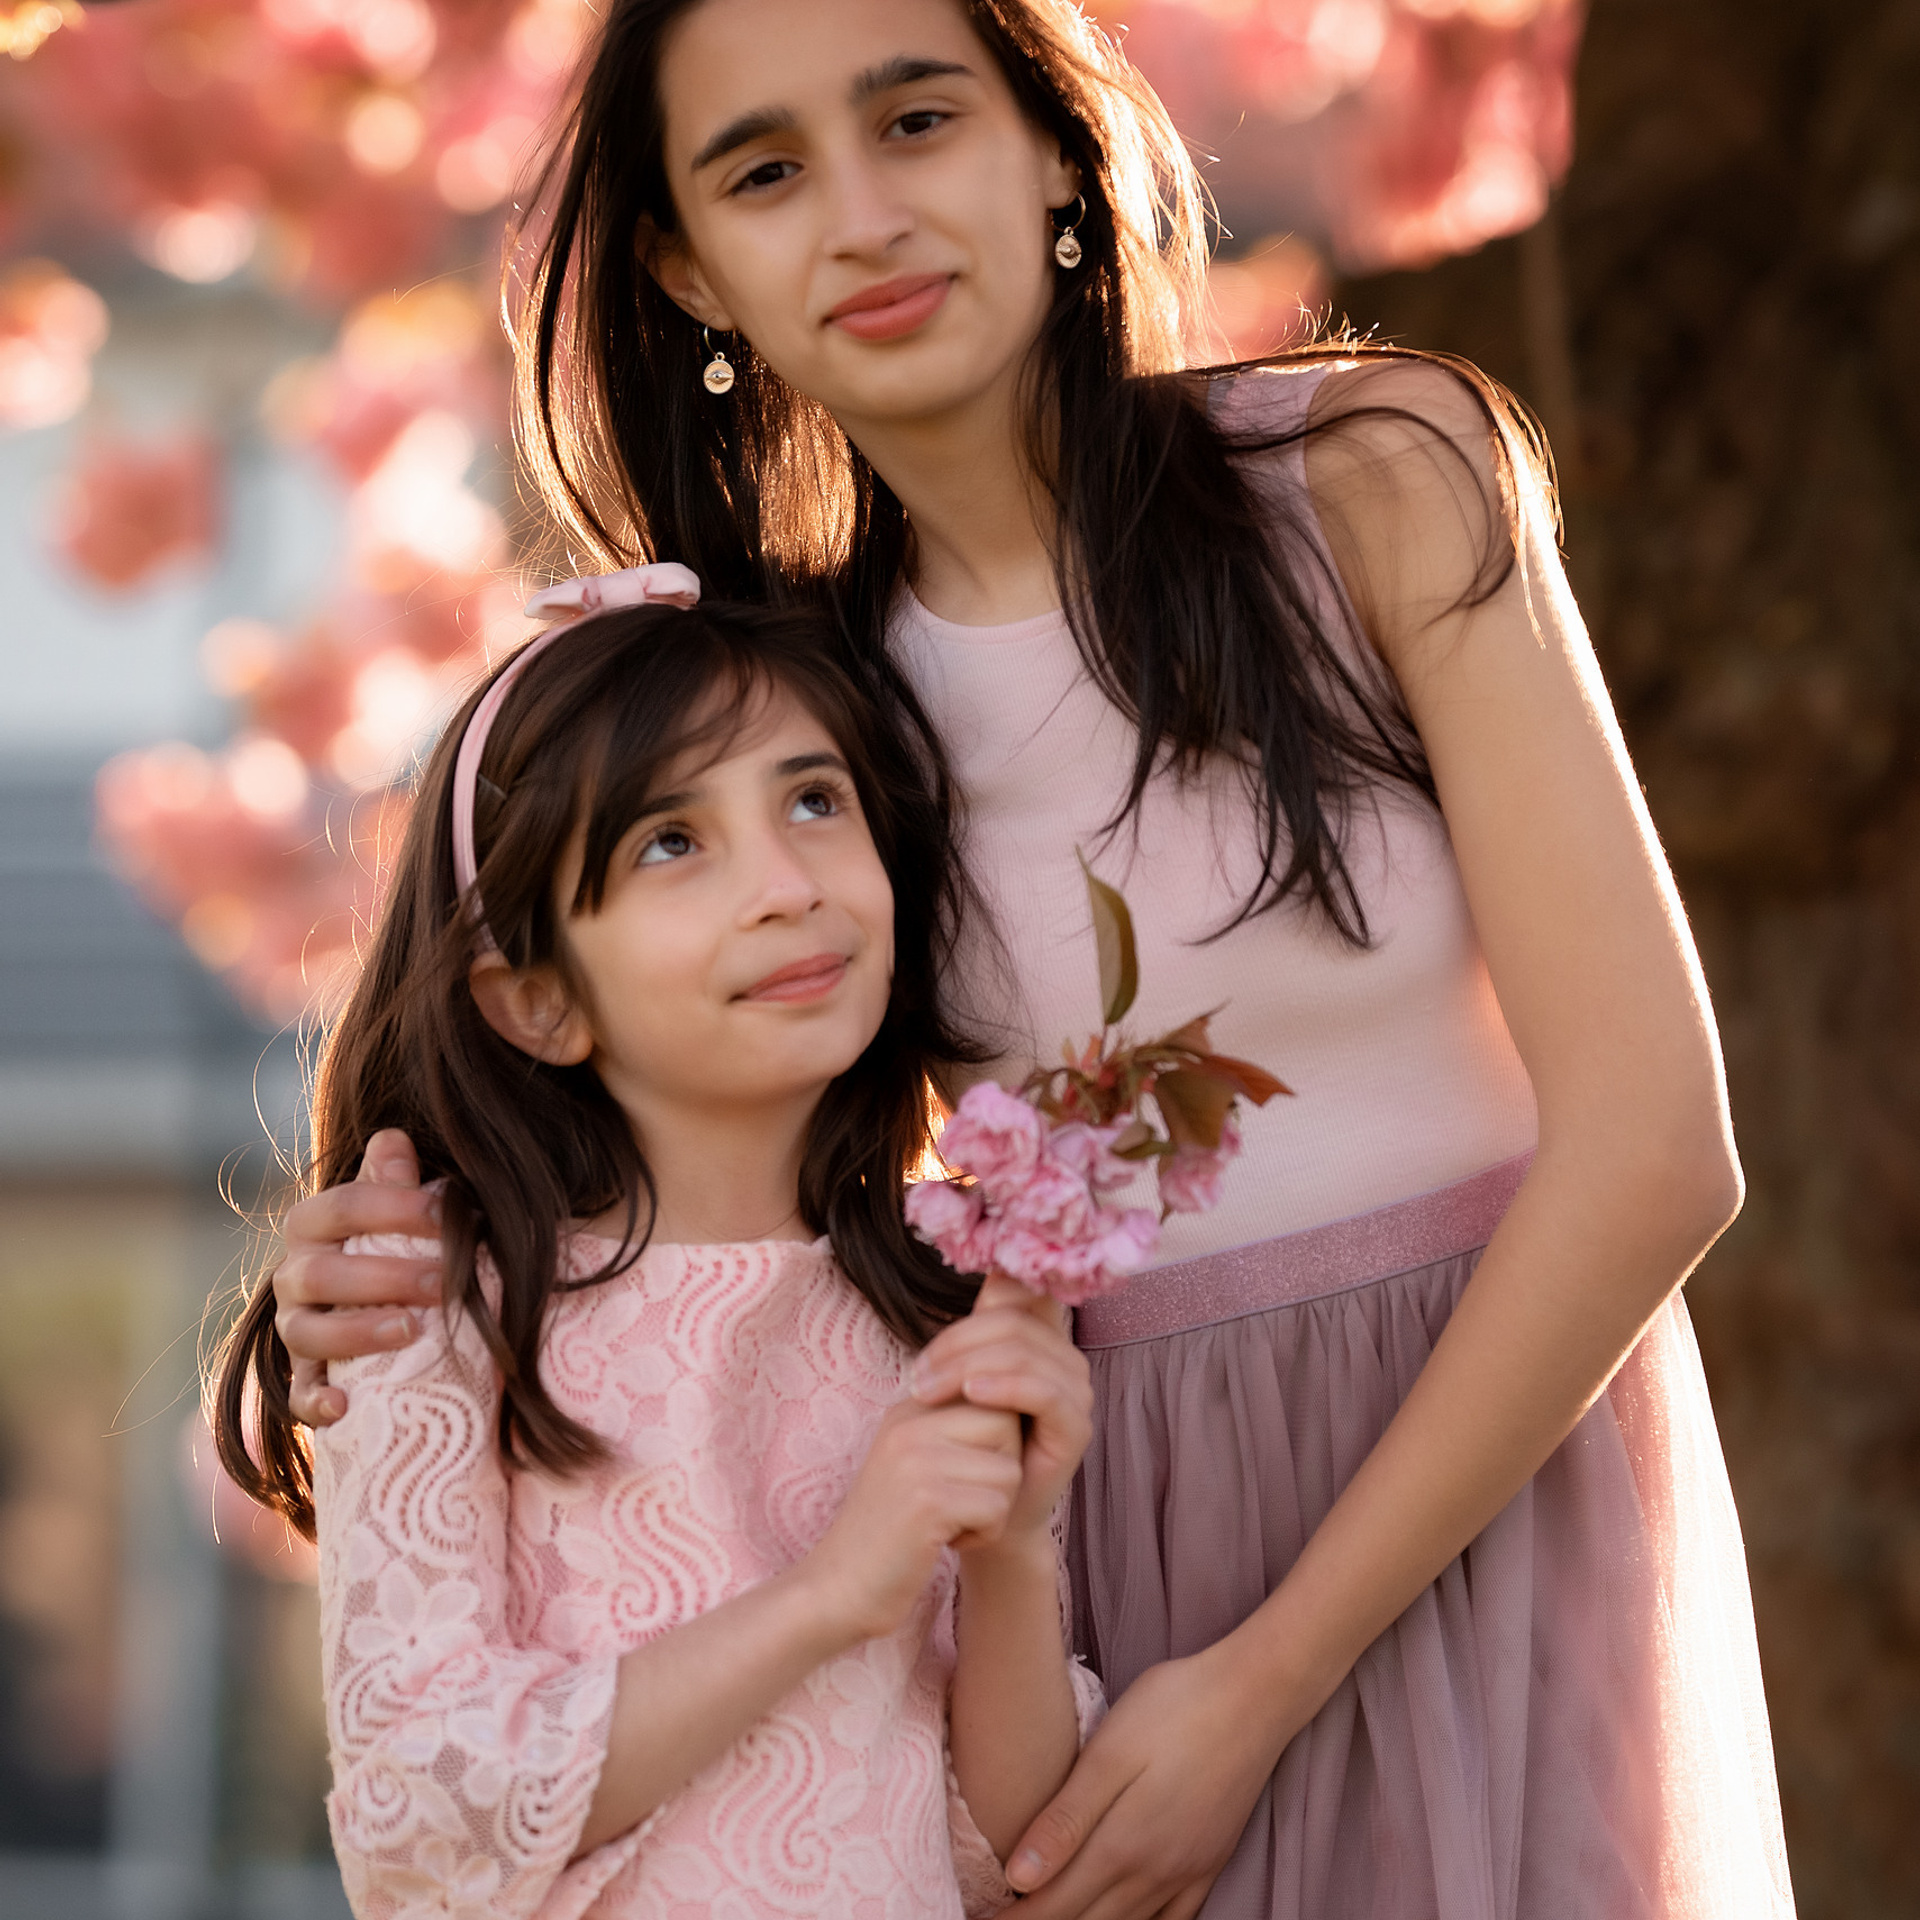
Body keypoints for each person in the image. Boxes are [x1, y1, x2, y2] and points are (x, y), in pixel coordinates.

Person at [260, 1, 1797, 1914]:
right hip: (1074, 1572)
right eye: (764, 170)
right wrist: (393, 1250)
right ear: (691, 268)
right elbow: (717, 1140)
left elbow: (1660, 1146)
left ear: (1056, 151)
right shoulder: (800, 730)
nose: (864, 216)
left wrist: (1257, 1685)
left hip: (1479, 1484)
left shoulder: (1377, 477)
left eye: (918, 120)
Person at [214, 583, 1105, 1918]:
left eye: (814, 801)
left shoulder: (951, 1298)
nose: (786, 887)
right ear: (539, 1000)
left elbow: (1010, 1854)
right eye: (673, 842)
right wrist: (832, 1595)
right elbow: (423, 1819)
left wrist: (1015, 1546)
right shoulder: (432, 1303)